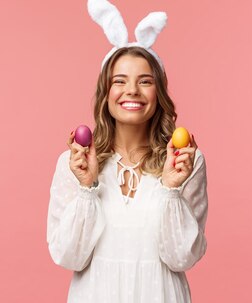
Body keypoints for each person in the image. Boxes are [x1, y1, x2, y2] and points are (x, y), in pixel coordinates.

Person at [46, 1, 208, 302]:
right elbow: (68, 257)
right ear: (105, 93)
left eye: (145, 81)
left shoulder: (185, 160)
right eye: (119, 81)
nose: (132, 90)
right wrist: (87, 187)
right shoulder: (75, 163)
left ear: (158, 93)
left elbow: (181, 258)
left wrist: (171, 189)